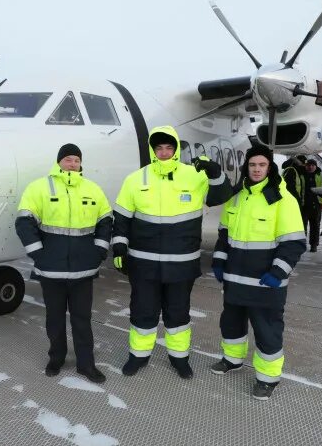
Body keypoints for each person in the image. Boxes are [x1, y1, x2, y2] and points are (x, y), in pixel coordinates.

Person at [112, 126, 231, 379]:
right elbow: (121, 218)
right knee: (143, 311)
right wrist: (119, 247)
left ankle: (179, 359)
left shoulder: (194, 176)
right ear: (153, 150)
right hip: (143, 263)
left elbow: (222, 195)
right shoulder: (136, 179)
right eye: (159, 148)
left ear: (176, 149)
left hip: (181, 264)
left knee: (178, 313)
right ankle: (138, 356)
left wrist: (215, 173)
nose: (164, 152)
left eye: (169, 147)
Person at [210, 144, 306, 400]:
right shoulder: (237, 197)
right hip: (234, 280)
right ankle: (232, 359)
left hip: (265, 283)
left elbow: (294, 243)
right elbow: (224, 236)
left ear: (270, 167)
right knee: (230, 323)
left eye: (262, 165)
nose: (256, 169)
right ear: (247, 167)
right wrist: (219, 262)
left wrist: (278, 272)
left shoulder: (282, 199)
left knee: (267, 330)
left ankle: (267, 379)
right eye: (252, 165)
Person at [15, 144, 112, 383]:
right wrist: (39, 254)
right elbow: (24, 222)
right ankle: (56, 358)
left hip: (83, 270)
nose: (72, 164)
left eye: (76, 160)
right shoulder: (39, 187)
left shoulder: (92, 189)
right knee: (55, 318)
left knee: (82, 319)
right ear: (59, 161)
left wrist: (99, 250)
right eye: (68, 159)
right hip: (51, 270)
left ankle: (86, 364)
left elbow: (106, 221)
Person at [302, 159, 322, 252]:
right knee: (302, 226)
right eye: (308, 165)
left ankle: (314, 245)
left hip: (316, 204)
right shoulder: (302, 174)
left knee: (315, 225)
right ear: (306, 166)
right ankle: (302, 244)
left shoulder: (320, 174)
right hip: (304, 204)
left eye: (313, 165)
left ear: (316, 166)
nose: (310, 167)